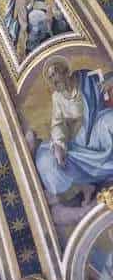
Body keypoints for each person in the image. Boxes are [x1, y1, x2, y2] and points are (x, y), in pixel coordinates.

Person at [34, 60, 113, 205]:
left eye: (55, 73)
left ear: (66, 71)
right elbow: (58, 124)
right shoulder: (57, 97)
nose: (54, 80)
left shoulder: (85, 78)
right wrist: (59, 145)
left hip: (95, 126)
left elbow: (105, 79)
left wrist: (110, 80)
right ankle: (84, 187)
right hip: (76, 137)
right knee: (47, 157)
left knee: (109, 121)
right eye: (50, 77)